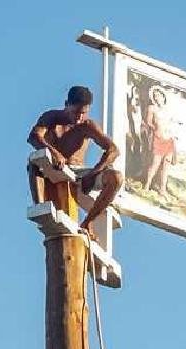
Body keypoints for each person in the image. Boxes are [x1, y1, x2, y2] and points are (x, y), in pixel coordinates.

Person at [27, 85, 122, 241]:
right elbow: (34, 137)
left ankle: (87, 222)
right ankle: (40, 205)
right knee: (34, 159)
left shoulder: (87, 125)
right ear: (66, 105)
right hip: (52, 170)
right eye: (75, 112)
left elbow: (113, 150)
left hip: (80, 174)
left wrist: (94, 173)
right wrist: (53, 151)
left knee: (116, 178)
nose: (79, 117)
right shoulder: (51, 118)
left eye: (83, 113)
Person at [144, 85, 176, 198]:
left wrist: (172, 132)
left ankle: (163, 189)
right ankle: (147, 185)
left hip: (169, 140)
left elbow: (173, 122)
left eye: (158, 95)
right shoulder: (152, 108)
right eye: (155, 96)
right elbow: (148, 121)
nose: (157, 98)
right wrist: (155, 129)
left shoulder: (168, 109)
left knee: (166, 165)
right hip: (158, 138)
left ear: (163, 96)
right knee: (155, 163)